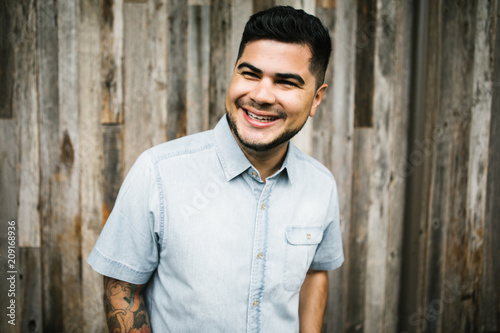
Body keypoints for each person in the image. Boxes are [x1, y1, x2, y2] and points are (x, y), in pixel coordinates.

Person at [88, 5, 344, 333]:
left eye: (286, 82)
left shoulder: (321, 186)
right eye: (249, 74)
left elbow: (314, 273)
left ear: (316, 99)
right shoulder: (158, 173)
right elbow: (122, 287)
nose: (261, 95)